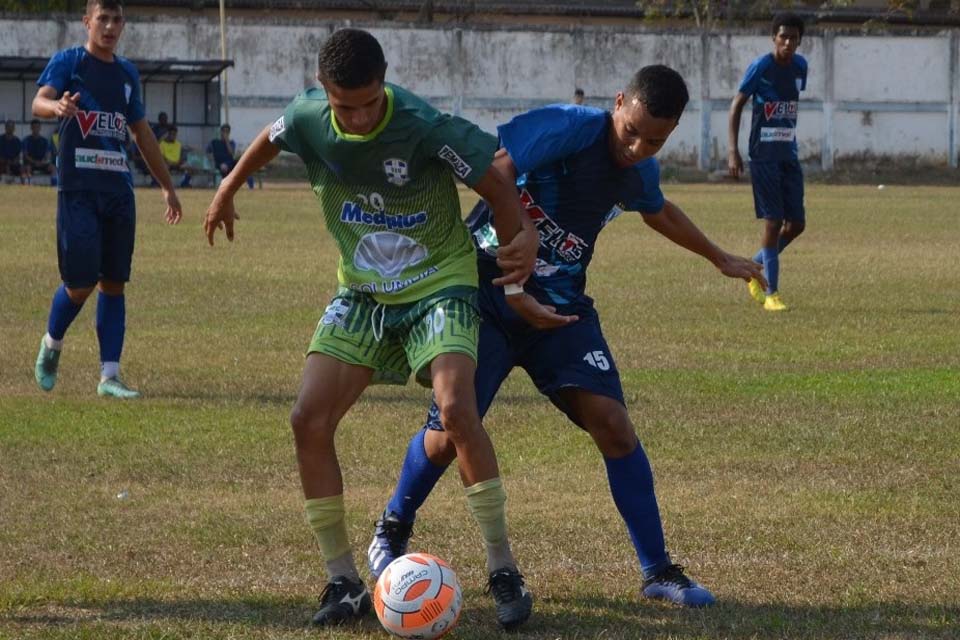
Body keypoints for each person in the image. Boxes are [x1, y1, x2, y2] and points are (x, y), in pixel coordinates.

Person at [366, 65, 767, 609]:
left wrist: (719, 256)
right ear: (618, 101)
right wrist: (522, 245)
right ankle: (392, 527)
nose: (637, 147)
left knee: (614, 425)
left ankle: (657, 570)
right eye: (632, 130)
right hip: (482, 292)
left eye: (655, 140)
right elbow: (497, 170)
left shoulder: (638, 168)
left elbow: (658, 210)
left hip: (560, 311)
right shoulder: (566, 127)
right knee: (445, 438)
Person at [202, 28, 550, 630]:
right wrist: (228, 187)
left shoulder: (423, 127)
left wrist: (519, 246)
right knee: (307, 418)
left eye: (370, 101)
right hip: (362, 292)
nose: (360, 117)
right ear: (324, 93)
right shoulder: (310, 117)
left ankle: (502, 567)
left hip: (439, 281)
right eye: (345, 106)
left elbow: (496, 180)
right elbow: (271, 137)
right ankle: (341, 581)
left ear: (384, 83)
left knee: (457, 411)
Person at [32, 0, 183, 399]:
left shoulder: (127, 73)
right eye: (103, 18)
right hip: (78, 190)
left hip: (118, 191)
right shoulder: (70, 62)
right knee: (80, 283)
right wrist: (57, 106)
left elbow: (141, 132)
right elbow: (39, 101)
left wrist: (167, 186)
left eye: (117, 19)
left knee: (114, 282)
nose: (111, 26)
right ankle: (51, 344)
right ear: (88, 22)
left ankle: (109, 377)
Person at [727, 12, 807, 312]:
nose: (787, 42)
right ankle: (771, 293)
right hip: (763, 156)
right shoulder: (761, 67)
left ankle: (752, 266)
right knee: (773, 222)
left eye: (793, 38)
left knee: (796, 224)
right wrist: (733, 151)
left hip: (789, 154)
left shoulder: (801, 67)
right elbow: (736, 105)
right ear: (774, 37)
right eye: (782, 36)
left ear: (799, 41)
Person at [206, 124, 254, 188]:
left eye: (227, 131)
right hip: (219, 164)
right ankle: (226, 186)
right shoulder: (214, 142)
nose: (225, 133)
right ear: (221, 132)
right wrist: (211, 161)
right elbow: (207, 152)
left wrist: (227, 141)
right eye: (224, 131)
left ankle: (251, 187)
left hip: (230, 162)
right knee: (224, 168)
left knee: (244, 166)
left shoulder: (231, 142)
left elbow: (231, 153)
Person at [23, 118, 57, 185]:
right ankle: (27, 186)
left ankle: (54, 186)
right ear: (31, 128)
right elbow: (26, 155)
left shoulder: (44, 141)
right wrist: (35, 162)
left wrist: (42, 162)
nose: (36, 129)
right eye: (34, 127)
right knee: (27, 168)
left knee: (53, 168)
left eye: (37, 127)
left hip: (42, 163)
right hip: (31, 163)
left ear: (40, 128)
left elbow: (47, 154)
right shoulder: (26, 140)